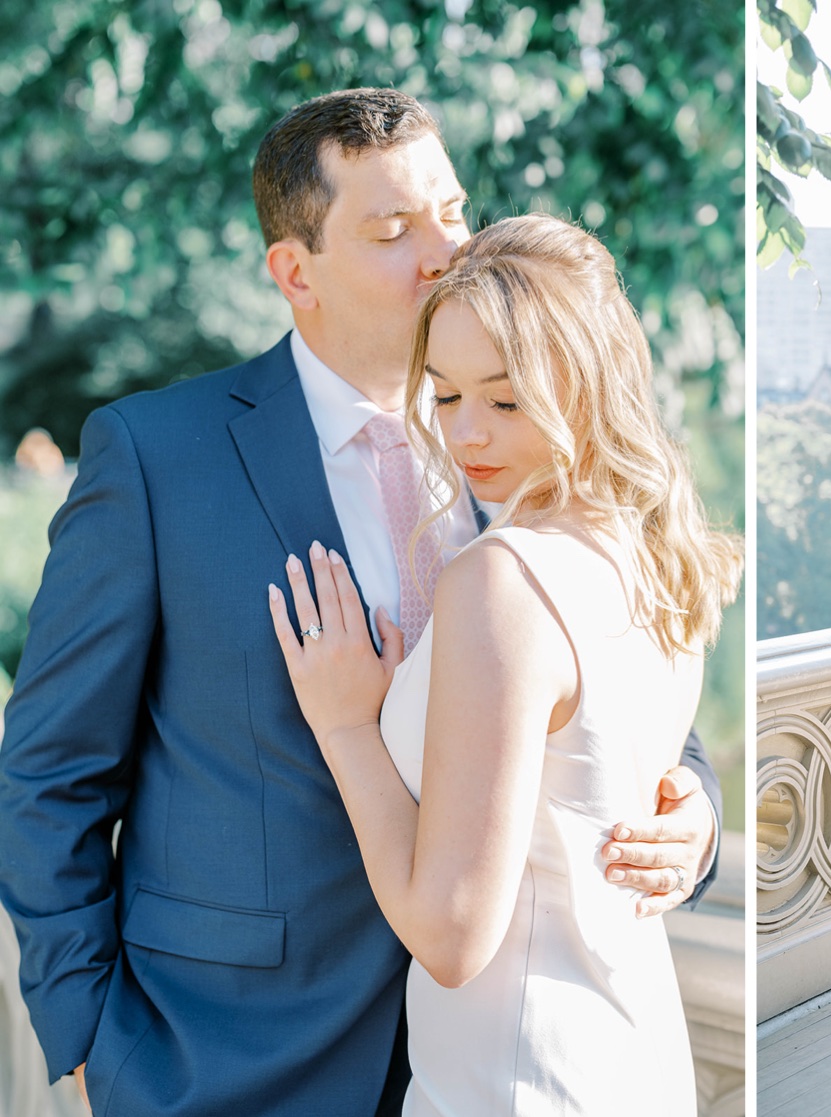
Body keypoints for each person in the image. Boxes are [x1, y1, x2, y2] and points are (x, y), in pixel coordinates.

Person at [0, 89, 722, 1117]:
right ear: (296, 272)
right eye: (393, 230)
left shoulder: (528, 451)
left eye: (453, 211)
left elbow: (618, 688)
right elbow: (49, 771)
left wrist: (692, 810)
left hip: (487, 1057)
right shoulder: (159, 457)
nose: (444, 252)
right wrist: (85, 1036)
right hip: (226, 1064)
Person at [269, 213, 741, 1115]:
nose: (466, 434)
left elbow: (452, 935)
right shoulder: (656, 553)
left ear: (585, 383)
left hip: (517, 1078)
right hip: (630, 1053)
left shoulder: (503, 577)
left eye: (506, 398)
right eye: (444, 396)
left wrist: (346, 727)